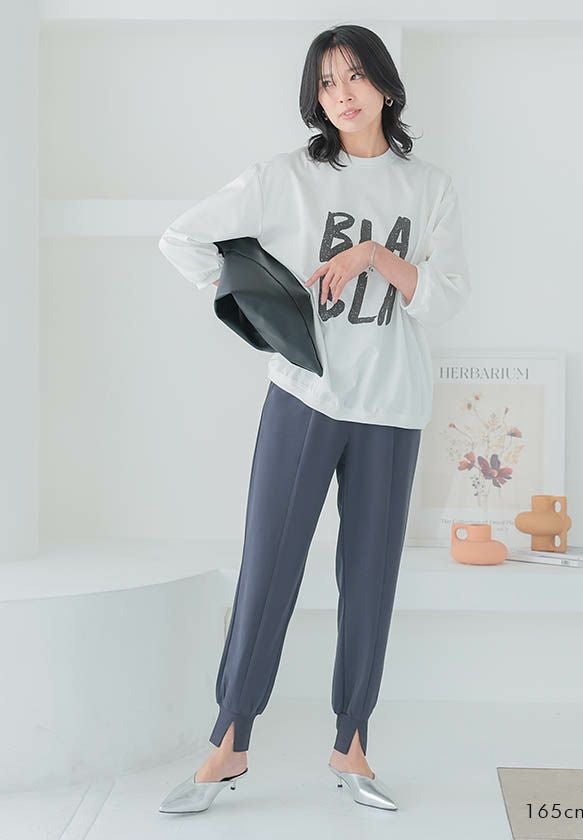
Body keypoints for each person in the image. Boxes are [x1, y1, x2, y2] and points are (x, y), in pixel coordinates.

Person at [157, 24, 471, 814]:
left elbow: (444, 298)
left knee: (370, 580)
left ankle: (352, 743)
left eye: (356, 76)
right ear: (315, 96)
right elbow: (184, 239)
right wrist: (256, 311)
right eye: (327, 82)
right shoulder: (286, 177)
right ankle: (230, 741)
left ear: (386, 85)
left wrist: (372, 257)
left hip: (393, 405)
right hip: (306, 396)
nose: (343, 94)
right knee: (269, 568)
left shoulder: (428, 187)